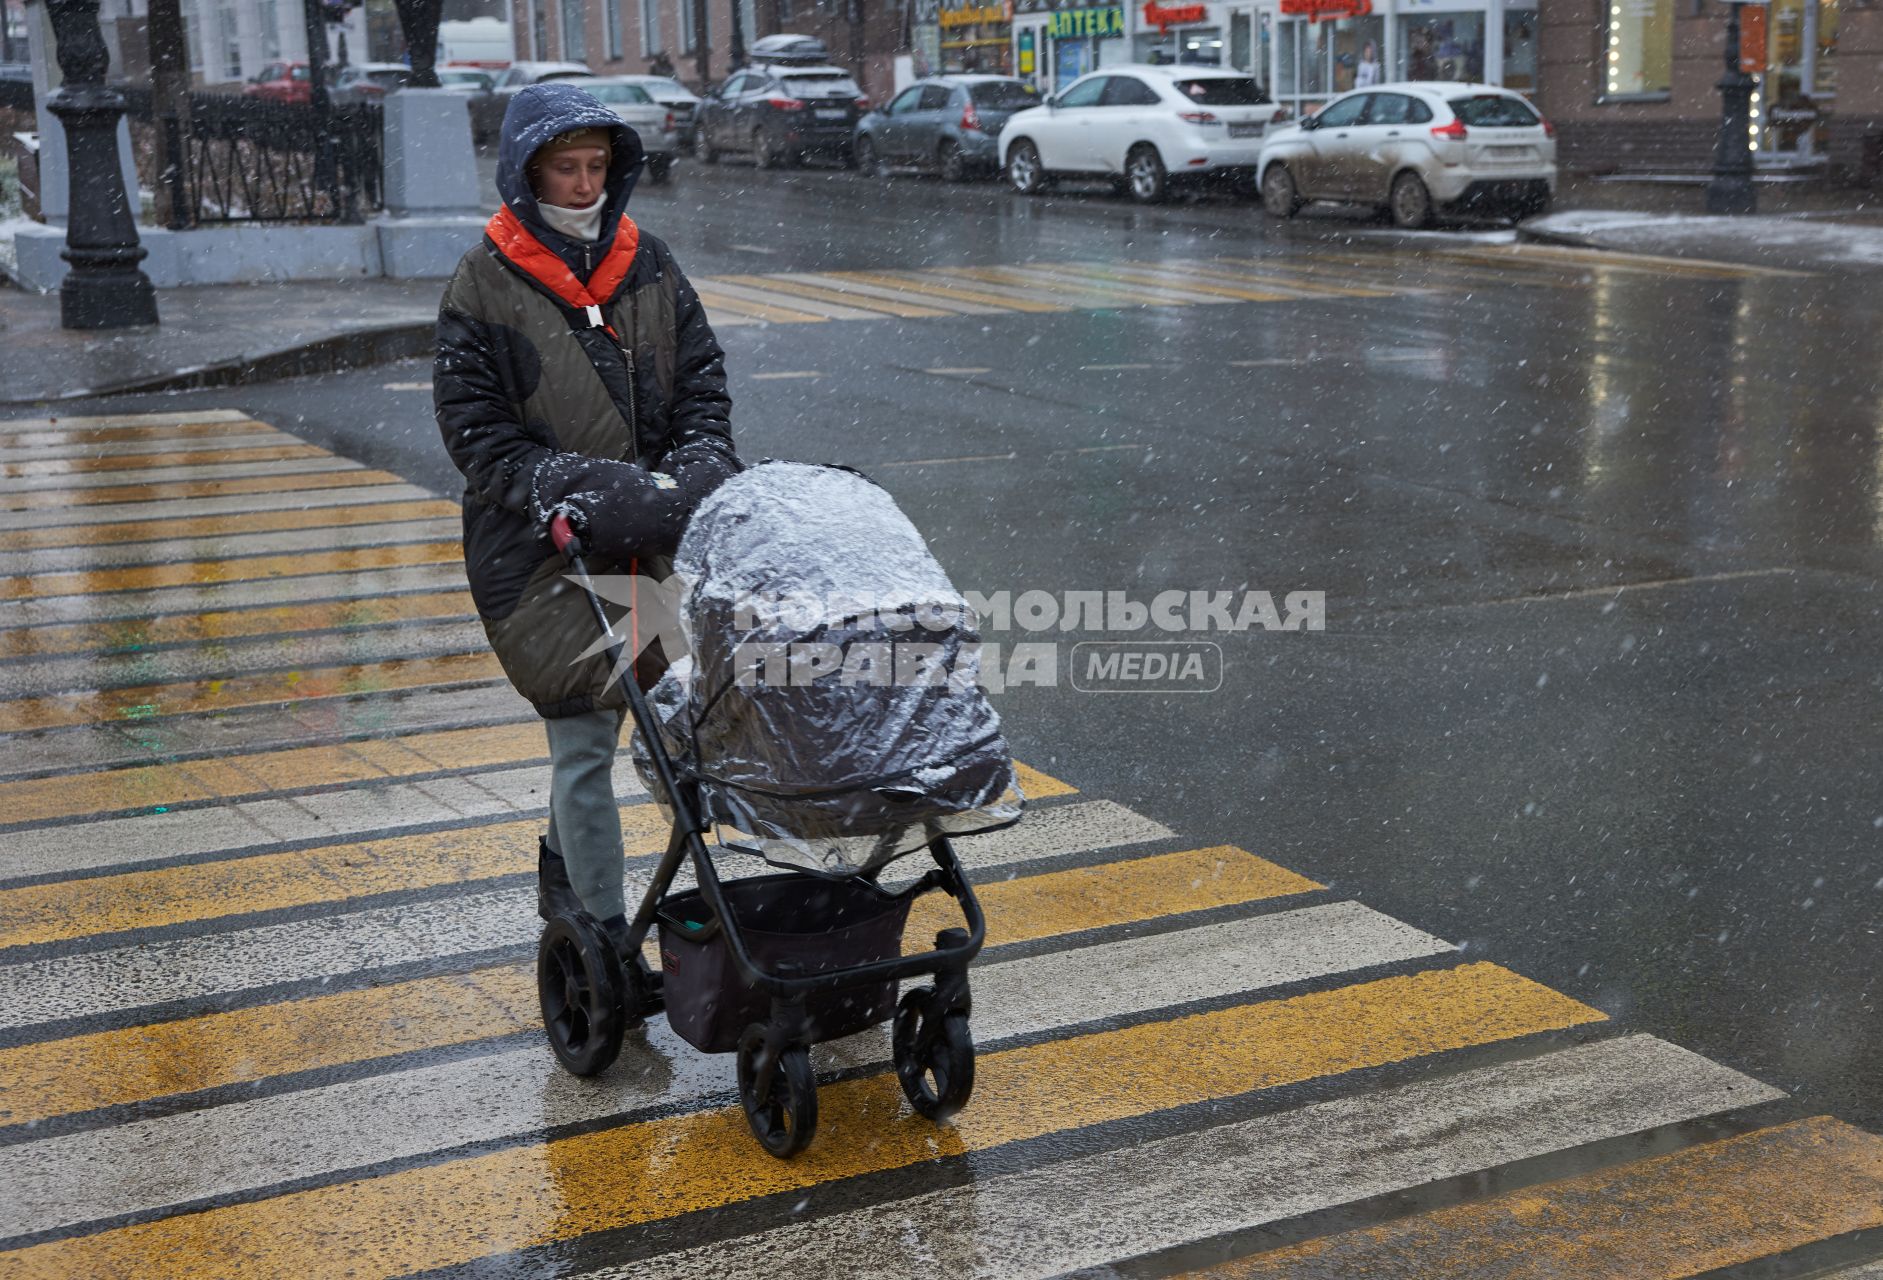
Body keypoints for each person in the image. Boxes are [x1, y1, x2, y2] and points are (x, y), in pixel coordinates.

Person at [434, 82, 740, 950]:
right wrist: (562, 482)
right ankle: (602, 936)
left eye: (594, 166)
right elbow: (475, 432)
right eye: (562, 168)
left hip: (652, 536)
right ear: (526, 174)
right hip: (537, 547)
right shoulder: (483, 280)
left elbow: (703, 383)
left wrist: (700, 459)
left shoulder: (648, 261)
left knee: (669, 722)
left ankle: (566, 881)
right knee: (582, 734)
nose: (580, 184)